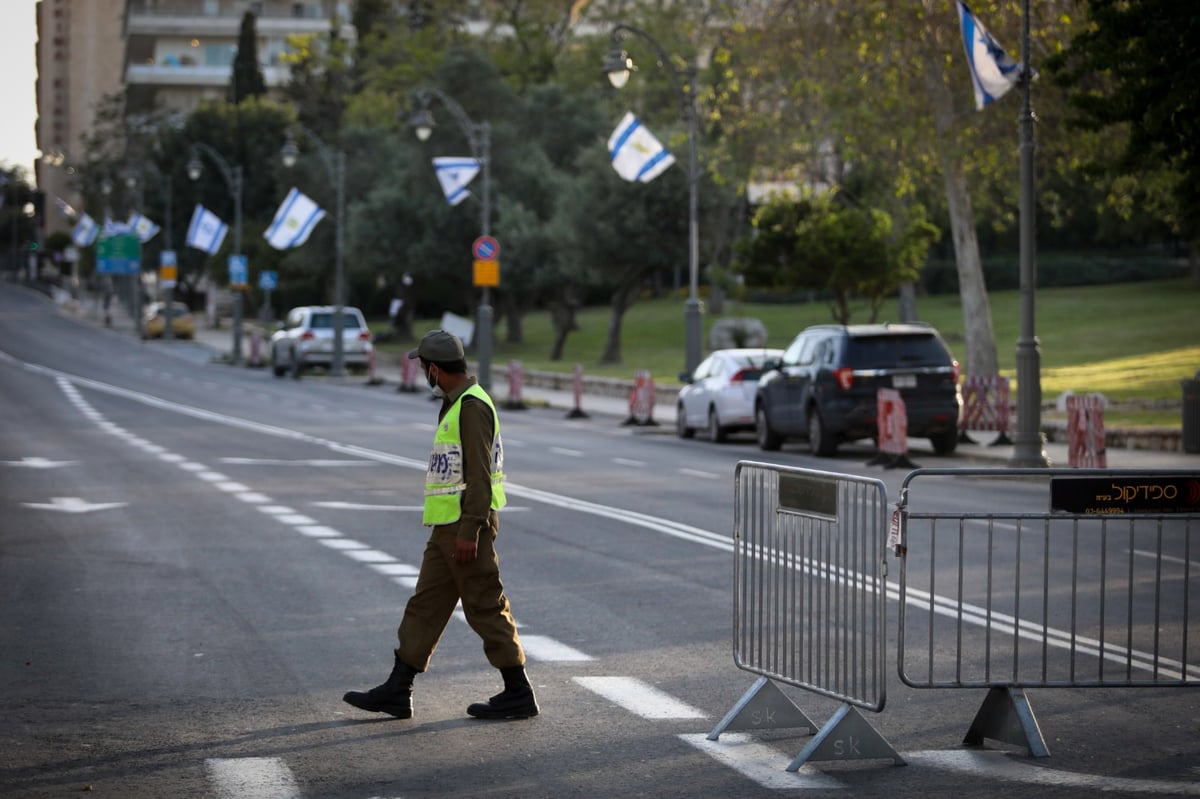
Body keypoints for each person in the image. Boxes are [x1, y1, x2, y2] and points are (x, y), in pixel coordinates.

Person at [343, 329, 538, 721]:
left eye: (423, 368)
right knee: (426, 605)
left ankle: (518, 691)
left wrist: (470, 530)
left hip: (466, 528)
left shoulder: (471, 407)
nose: (422, 375)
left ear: (434, 369)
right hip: (447, 527)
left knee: (484, 604)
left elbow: (480, 478)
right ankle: (399, 689)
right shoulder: (457, 402)